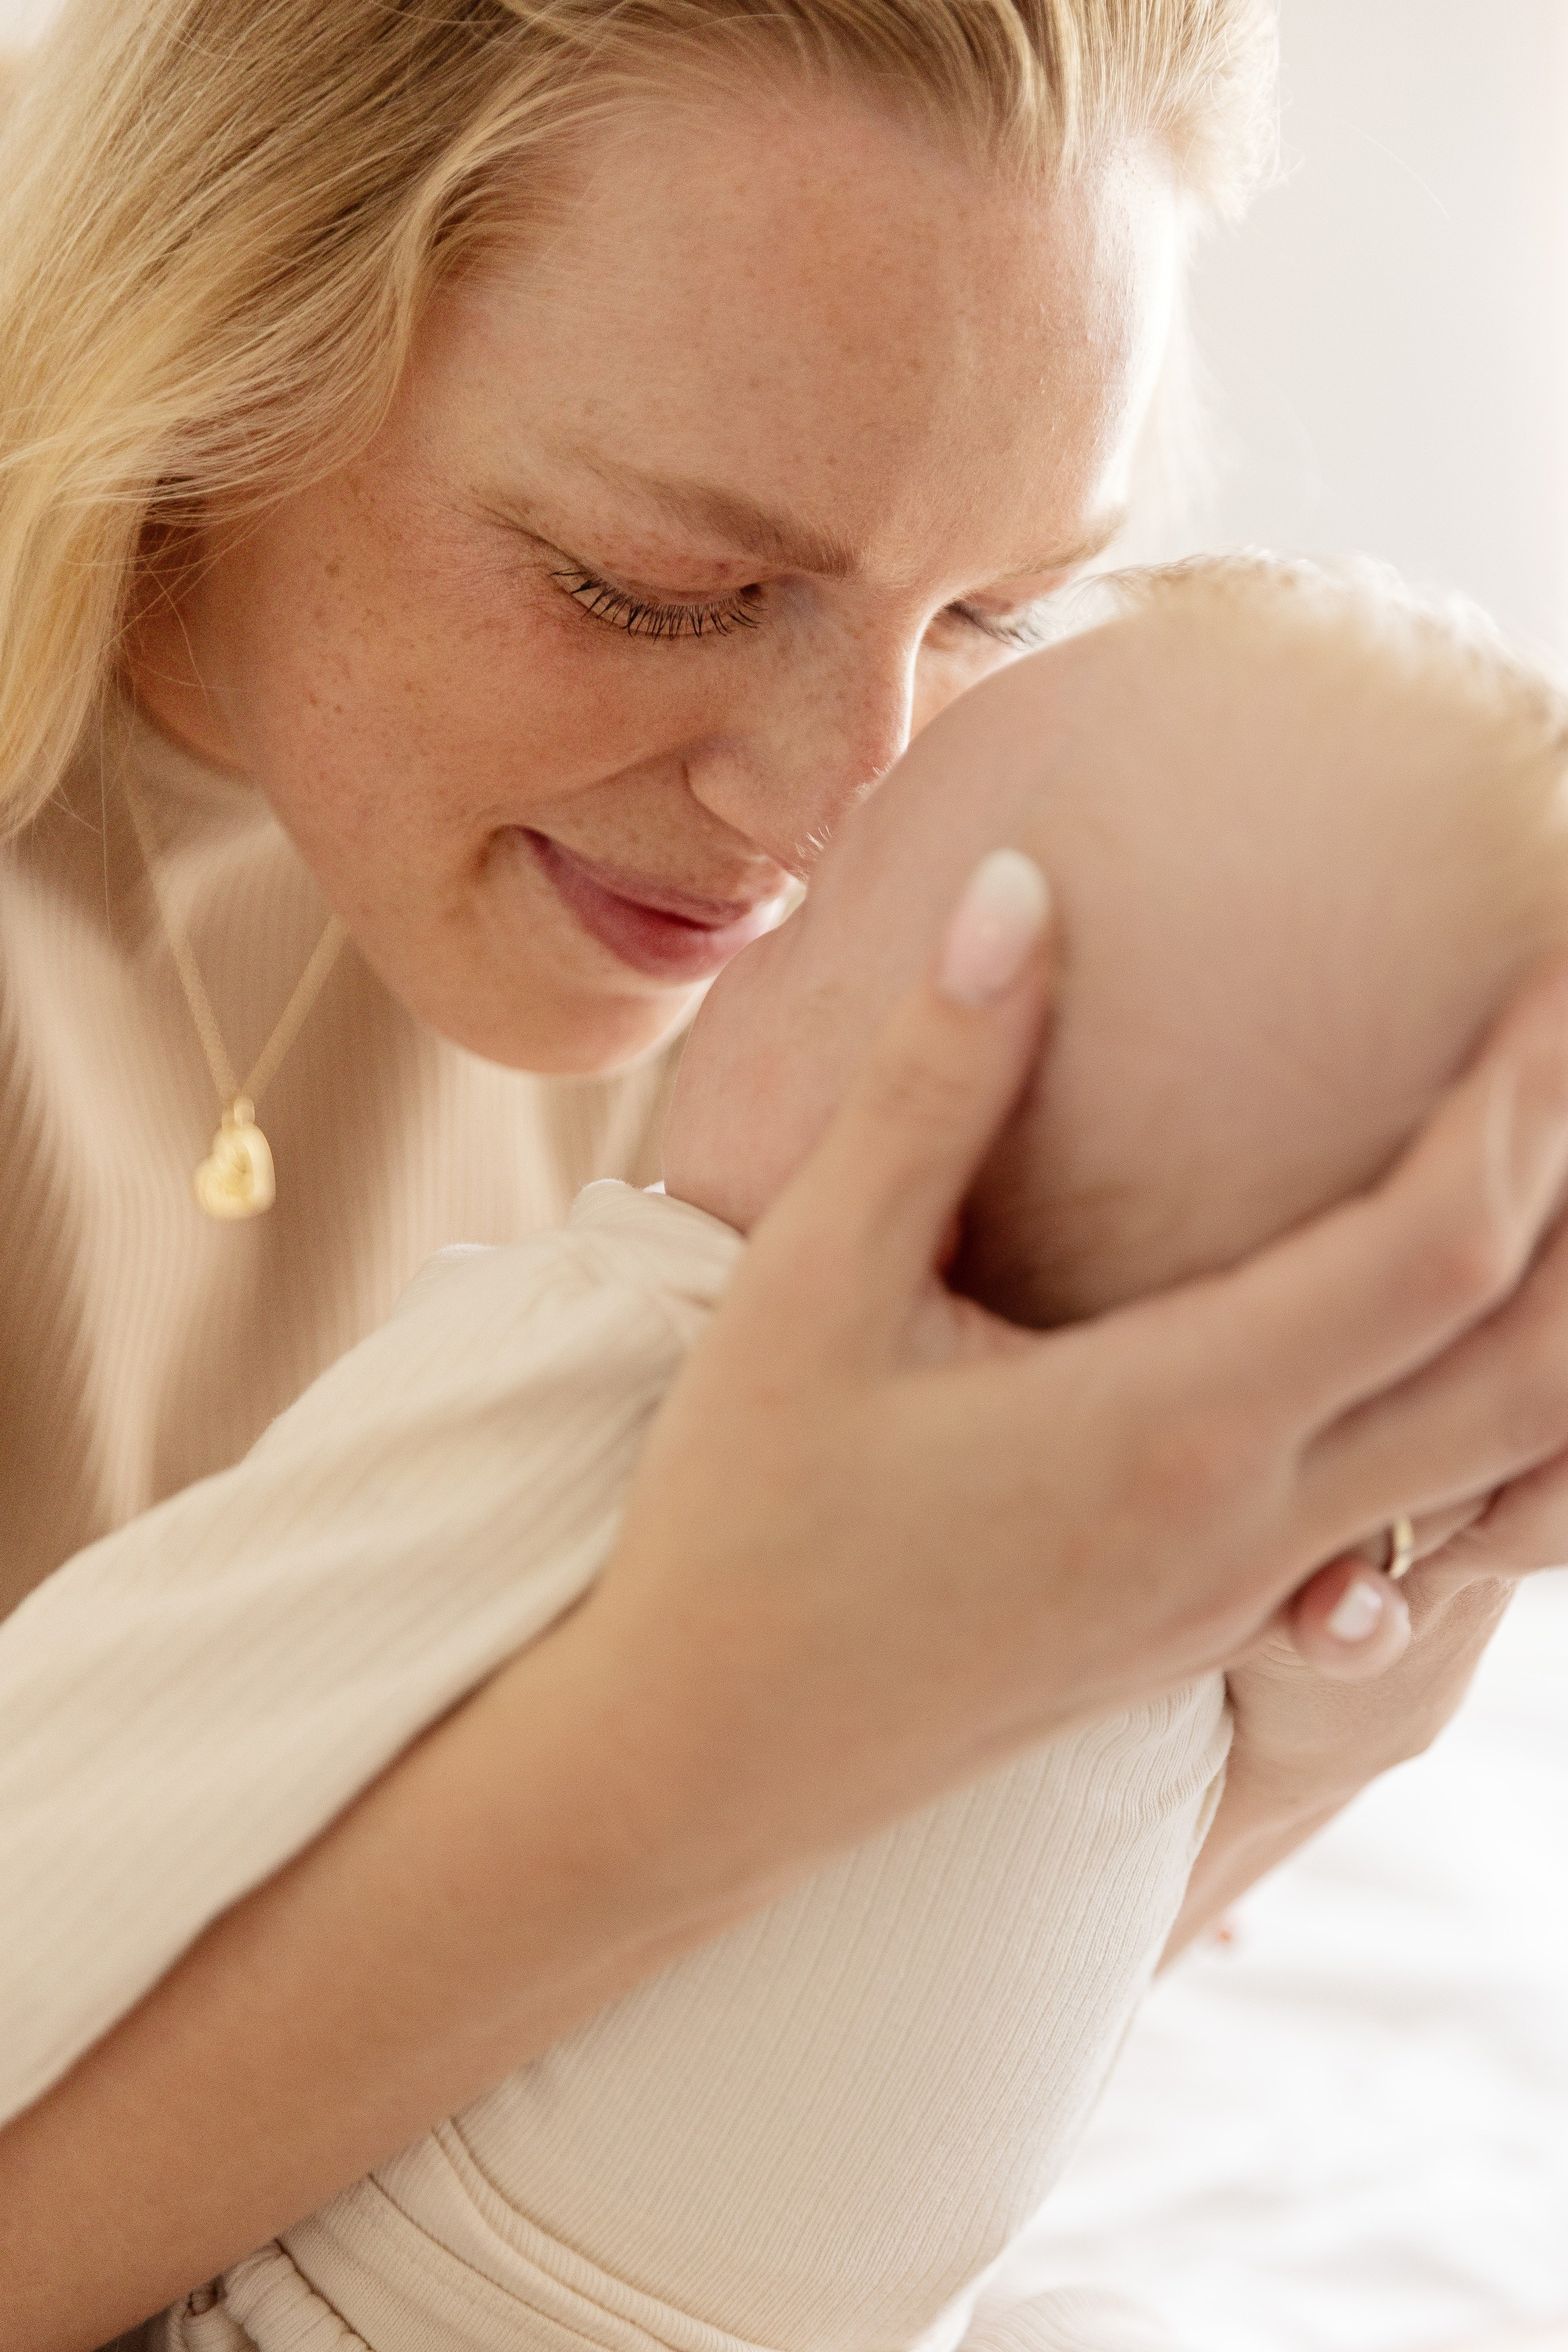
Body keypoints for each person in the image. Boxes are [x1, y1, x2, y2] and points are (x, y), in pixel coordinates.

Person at [7, 4, 1568, 2345]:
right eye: (658, 588)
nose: (845, 813)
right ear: (224, 327)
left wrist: (1275, 1734)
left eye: (997, 615)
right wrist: (676, 1754)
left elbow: (706, 2104)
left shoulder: (807, 1022)